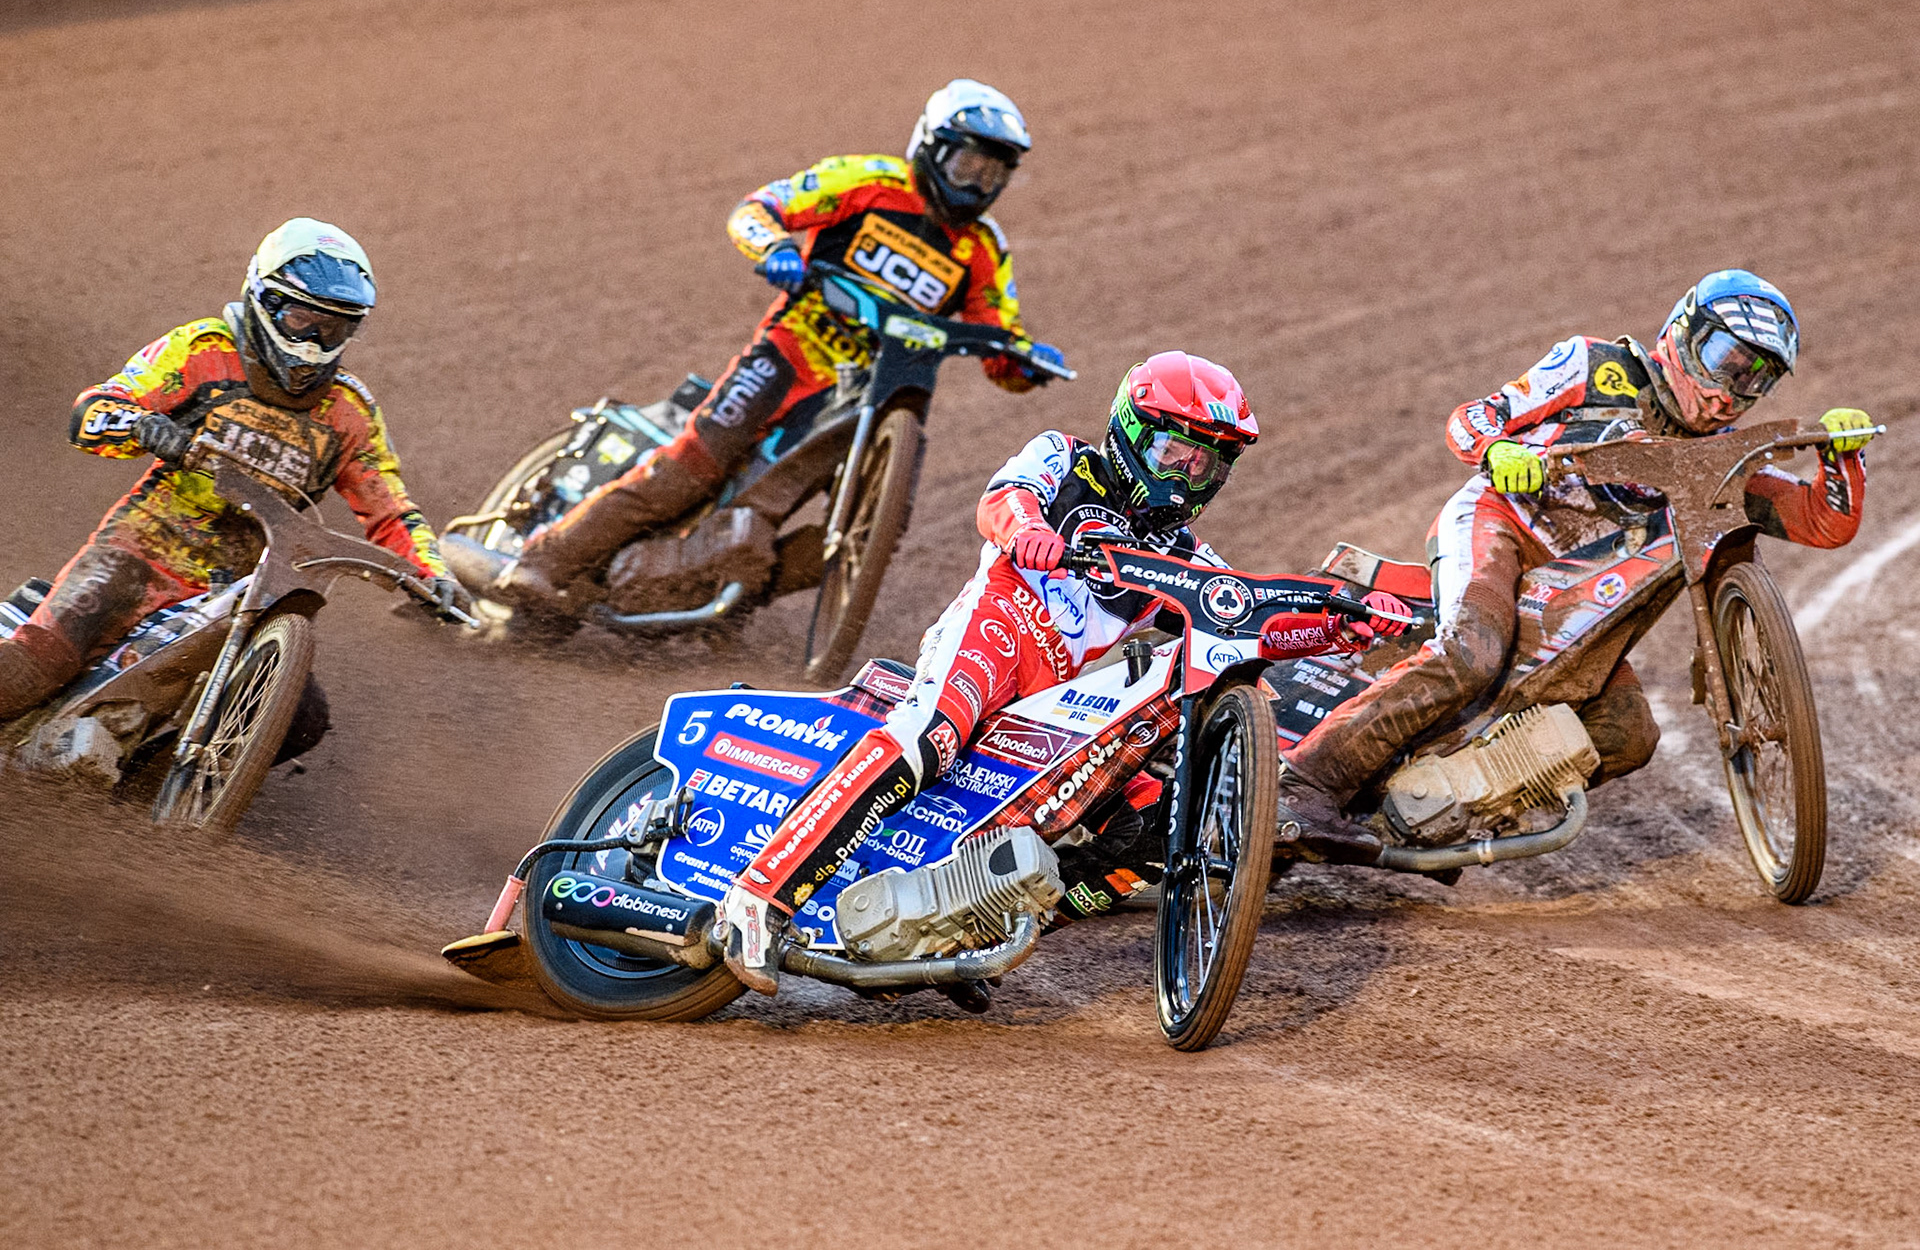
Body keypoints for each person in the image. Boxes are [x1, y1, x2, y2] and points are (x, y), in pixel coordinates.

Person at [712, 351, 1409, 994]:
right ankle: (759, 896)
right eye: (1174, 454)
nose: (1183, 479)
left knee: (1148, 824)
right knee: (925, 741)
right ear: (1132, 432)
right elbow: (1002, 498)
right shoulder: (1066, 459)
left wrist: (1341, 624)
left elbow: (1244, 616)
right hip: (992, 634)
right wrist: (1030, 535)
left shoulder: (1183, 553)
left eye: (1204, 468)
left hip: (1049, 702)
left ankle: (975, 930)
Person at [1272, 270, 1876, 862]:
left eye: (1755, 380)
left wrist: (1844, 458)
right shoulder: (1591, 364)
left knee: (1629, 734)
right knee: (1471, 653)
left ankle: (1432, 808)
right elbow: (1473, 417)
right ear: (1683, 333)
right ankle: (1305, 785)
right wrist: (1501, 449)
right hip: (1503, 524)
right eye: (1725, 360)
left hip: (1576, 596)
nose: (1729, 393)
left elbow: (1824, 521)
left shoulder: (1723, 461)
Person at [477, 78, 1066, 614]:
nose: (976, 185)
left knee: (854, 526)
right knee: (688, 472)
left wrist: (1022, 363)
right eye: (967, 165)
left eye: (992, 175)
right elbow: (758, 209)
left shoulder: (984, 248)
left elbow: (999, 339)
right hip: (789, 356)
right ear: (931, 148)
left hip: (867, 399)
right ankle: (540, 562)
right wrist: (774, 248)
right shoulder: (867, 183)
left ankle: (710, 593)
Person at [0, 218, 469, 721]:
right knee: (34, 670)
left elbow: (390, 511)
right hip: (147, 550)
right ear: (264, 301)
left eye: (331, 328)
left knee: (301, 723)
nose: (312, 341)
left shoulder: (349, 410)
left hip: (250, 587)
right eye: (300, 319)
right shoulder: (203, 351)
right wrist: (140, 426)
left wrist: (431, 574)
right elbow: (93, 410)